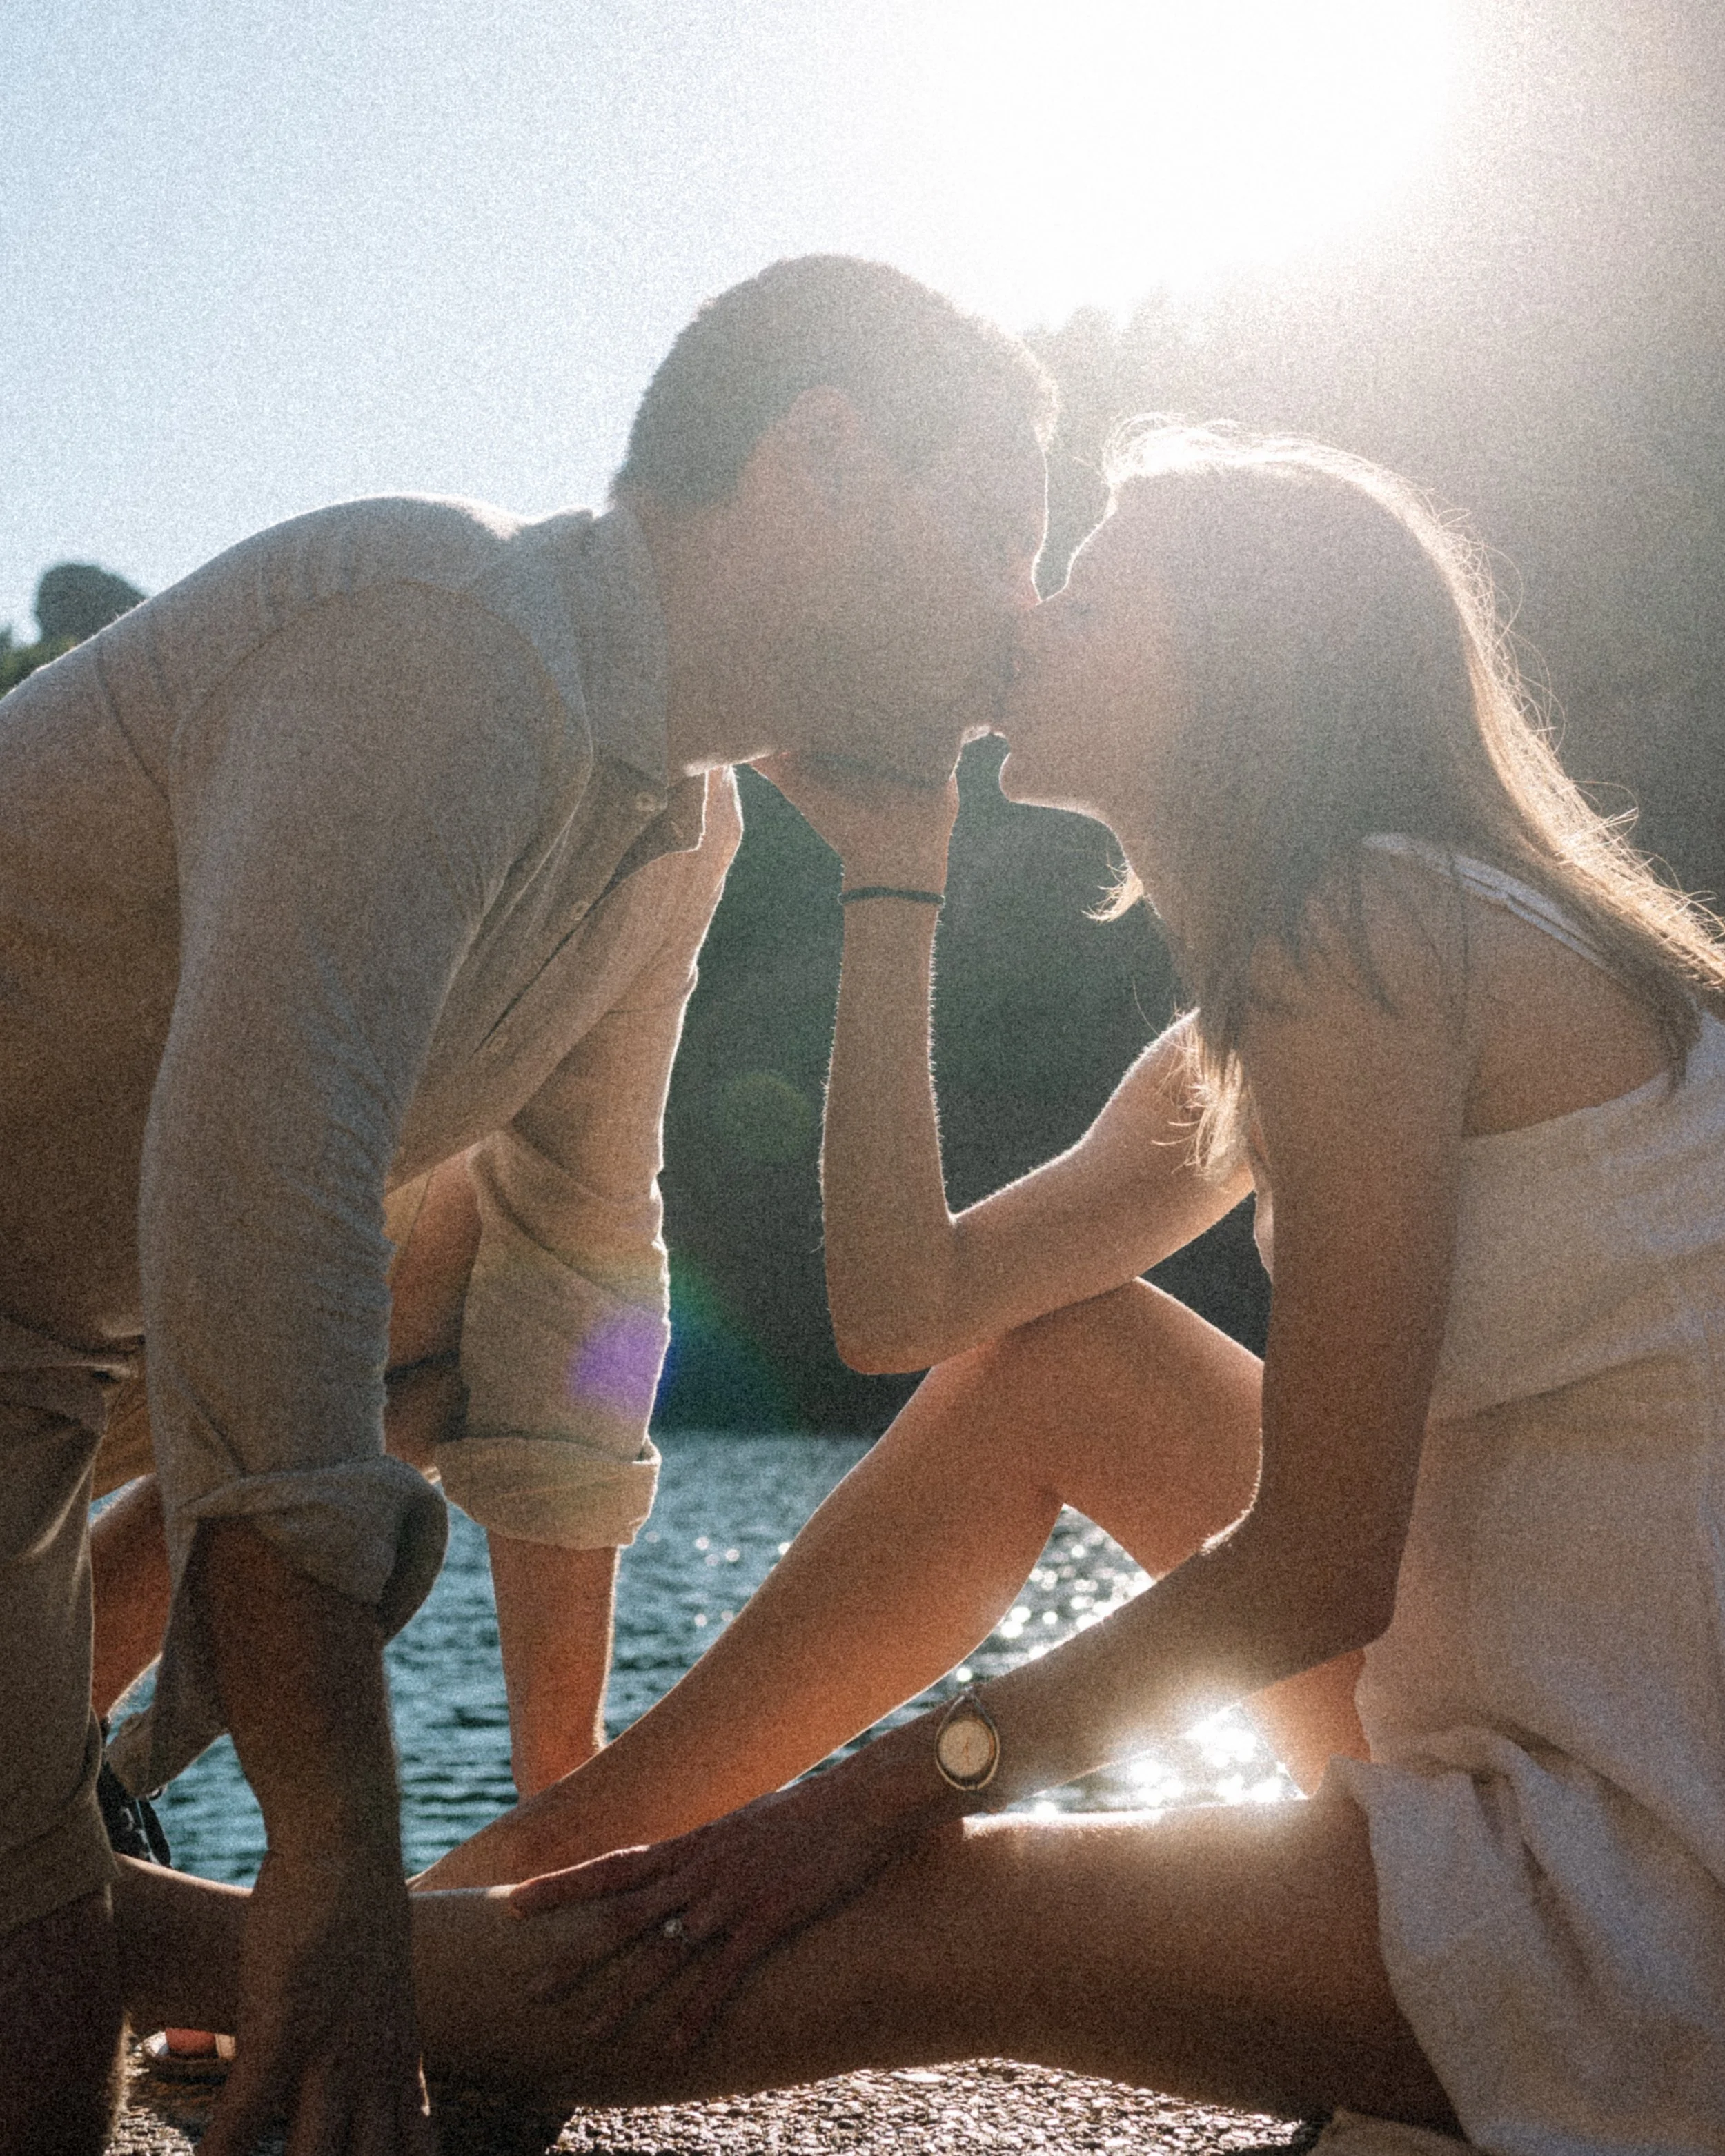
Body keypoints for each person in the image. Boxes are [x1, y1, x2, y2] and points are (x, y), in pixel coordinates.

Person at [112, 423, 1725, 2154]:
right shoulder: (1322, 978)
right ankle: (506, 1886)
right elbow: (906, 1311)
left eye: (1088, 600)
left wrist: (895, 1788)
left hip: (1648, 1865)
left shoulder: (1376, 931)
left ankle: (122, 1922)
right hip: (1568, 1714)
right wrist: (895, 870)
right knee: (1072, 1357)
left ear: (1240, 669)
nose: (1026, 618)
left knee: (877, 1911)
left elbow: (1317, 1561)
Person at [0, 252, 1054, 2156]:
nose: (1020, 613)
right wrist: (336, 1861)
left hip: (44, 1373)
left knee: (40, 2049)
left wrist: (563, 1834)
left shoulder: (680, 821)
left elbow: (586, 1266)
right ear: (817, 456)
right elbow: (264, 1201)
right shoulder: (445, 633)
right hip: (76, 1336)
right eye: (995, 530)